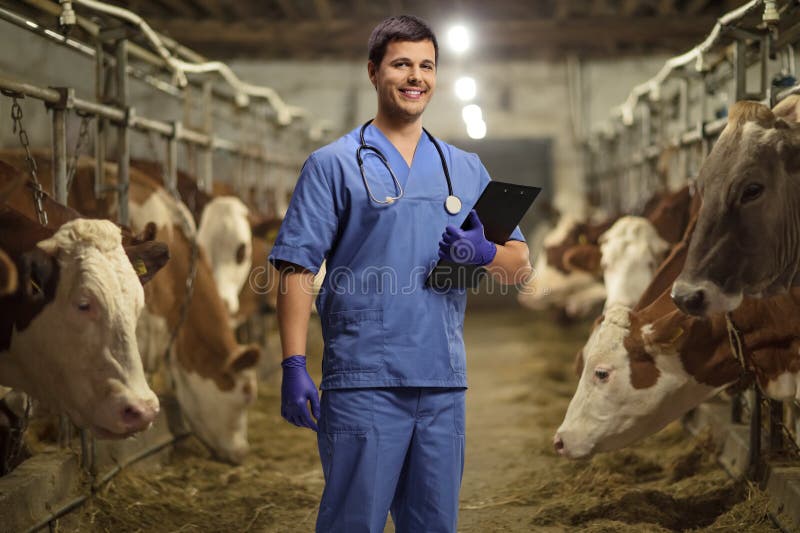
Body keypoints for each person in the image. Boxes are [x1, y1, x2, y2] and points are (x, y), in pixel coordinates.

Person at [268, 14, 531, 533]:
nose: (416, 77)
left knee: (434, 525)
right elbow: (297, 267)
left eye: (427, 66)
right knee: (352, 523)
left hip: (441, 382)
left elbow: (519, 268)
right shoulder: (333, 164)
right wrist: (293, 363)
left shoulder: (465, 168)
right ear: (373, 72)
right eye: (402, 64)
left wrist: (481, 254)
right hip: (364, 380)